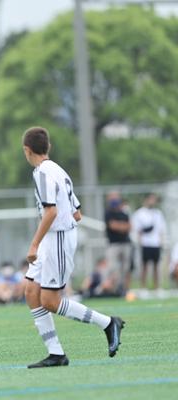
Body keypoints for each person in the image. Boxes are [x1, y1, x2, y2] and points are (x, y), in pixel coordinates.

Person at [21, 126, 124, 368]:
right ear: (48, 146)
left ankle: (108, 323)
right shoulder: (58, 170)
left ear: (27, 150)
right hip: (56, 237)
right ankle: (56, 353)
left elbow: (51, 212)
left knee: (50, 301)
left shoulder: (42, 173)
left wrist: (34, 244)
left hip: (57, 237)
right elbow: (77, 213)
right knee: (31, 292)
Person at [132, 193, 166, 289]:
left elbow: (161, 229)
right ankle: (143, 287)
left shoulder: (158, 213)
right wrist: (140, 242)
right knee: (144, 266)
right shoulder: (139, 213)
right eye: (151, 199)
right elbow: (137, 229)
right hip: (145, 243)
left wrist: (161, 242)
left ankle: (157, 287)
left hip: (156, 243)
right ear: (146, 200)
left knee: (156, 266)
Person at [104, 195, 132, 294]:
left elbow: (129, 226)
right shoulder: (108, 213)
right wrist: (122, 226)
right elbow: (112, 226)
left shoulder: (124, 214)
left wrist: (119, 226)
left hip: (125, 243)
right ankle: (113, 290)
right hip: (113, 244)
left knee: (126, 268)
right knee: (113, 268)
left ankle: (125, 289)